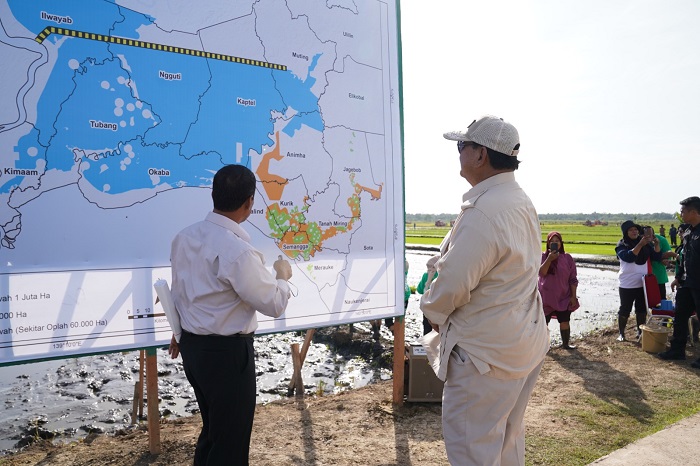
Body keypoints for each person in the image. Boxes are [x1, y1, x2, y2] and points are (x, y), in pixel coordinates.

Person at [420, 115, 549, 465]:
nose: (459, 153)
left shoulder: (484, 210)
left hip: (484, 355)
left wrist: (432, 312)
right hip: (521, 341)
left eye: (463, 146)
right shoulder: (519, 200)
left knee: (473, 452)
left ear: (481, 155)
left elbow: (453, 283)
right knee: (506, 444)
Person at [168, 164, 293, 465]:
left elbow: (181, 291)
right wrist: (283, 277)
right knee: (230, 443)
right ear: (249, 202)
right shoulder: (237, 251)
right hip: (227, 354)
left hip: (193, 348)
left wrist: (178, 331)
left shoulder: (184, 237)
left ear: (214, 195)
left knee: (213, 432)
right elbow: (273, 304)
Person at [659, 197, 700, 366]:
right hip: (686, 282)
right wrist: (677, 277)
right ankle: (677, 350)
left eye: (683, 211)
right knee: (680, 316)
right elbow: (684, 257)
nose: (681, 214)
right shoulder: (689, 232)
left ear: (693, 212)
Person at [614, 221, 661, 341]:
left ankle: (640, 332)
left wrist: (656, 245)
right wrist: (640, 245)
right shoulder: (622, 244)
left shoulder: (645, 243)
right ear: (626, 233)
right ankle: (621, 334)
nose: (634, 232)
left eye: (636, 229)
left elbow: (656, 256)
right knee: (625, 308)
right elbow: (629, 257)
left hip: (643, 282)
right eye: (631, 230)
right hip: (627, 283)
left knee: (641, 309)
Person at [538, 231, 579, 349]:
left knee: (565, 320)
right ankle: (543, 346)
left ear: (561, 243)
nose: (555, 243)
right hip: (545, 297)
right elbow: (541, 273)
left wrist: (573, 296)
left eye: (557, 241)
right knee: (543, 323)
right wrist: (550, 259)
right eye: (552, 241)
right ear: (548, 243)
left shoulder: (567, 258)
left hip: (563, 296)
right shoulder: (543, 256)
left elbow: (572, 279)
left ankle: (565, 344)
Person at [644, 225, 677, 300]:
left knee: (660, 300)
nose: (649, 236)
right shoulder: (640, 241)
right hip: (642, 275)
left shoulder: (661, 240)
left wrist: (664, 259)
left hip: (658, 275)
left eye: (651, 234)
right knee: (644, 301)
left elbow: (668, 255)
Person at [416, 255, 439, 335]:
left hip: (429, 306)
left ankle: (428, 345)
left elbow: (420, 290)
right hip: (435, 307)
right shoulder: (440, 276)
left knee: (427, 327)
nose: (430, 269)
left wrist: (428, 281)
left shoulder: (427, 275)